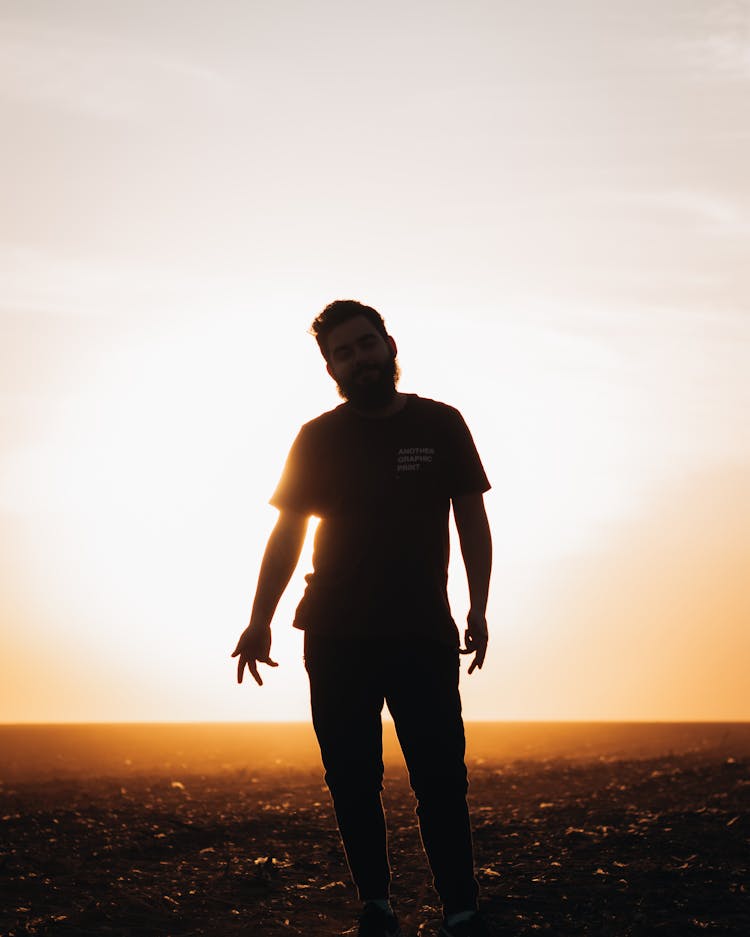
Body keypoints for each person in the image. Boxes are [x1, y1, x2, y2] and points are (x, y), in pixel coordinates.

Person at [232, 300, 494, 937]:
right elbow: (288, 531)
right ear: (330, 368)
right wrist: (259, 618)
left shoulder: (442, 424)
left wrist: (478, 607)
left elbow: (471, 522)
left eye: (365, 344)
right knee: (352, 778)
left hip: (422, 632)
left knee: (440, 777)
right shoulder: (317, 438)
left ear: (388, 343)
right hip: (336, 632)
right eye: (342, 353)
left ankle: (460, 908)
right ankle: (376, 905)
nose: (358, 359)